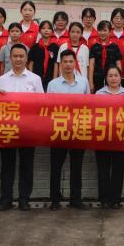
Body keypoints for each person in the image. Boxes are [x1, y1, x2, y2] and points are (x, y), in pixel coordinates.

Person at [0, 44, 44, 211]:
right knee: (7, 166)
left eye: (21, 56)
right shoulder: (2, 80)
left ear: (26, 58)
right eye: (15, 56)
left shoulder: (35, 79)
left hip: (28, 130)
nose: (18, 59)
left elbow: (41, 105)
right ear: (10, 58)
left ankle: (24, 199)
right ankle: (5, 199)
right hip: (7, 129)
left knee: (26, 165)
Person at [47, 50, 91, 210]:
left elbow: (89, 106)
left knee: (76, 167)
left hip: (78, 130)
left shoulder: (83, 82)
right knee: (56, 167)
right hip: (58, 130)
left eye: (70, 61)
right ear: (61, 63)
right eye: (65, 61)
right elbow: (48, 108)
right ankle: (55, 200)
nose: (67, 65)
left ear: (75, 63)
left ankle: (76, 199)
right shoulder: (53, 84)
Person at [95, 65, 124, 208]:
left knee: (118, 169)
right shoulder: (99, 94)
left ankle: (116, 199)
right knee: (103, 169)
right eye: (110, 76)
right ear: (106, 78)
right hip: (103, 137)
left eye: (116, 75)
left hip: (121, 137)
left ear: (120, 77)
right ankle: (104, 199)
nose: (113, 78)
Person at [89, 20, 123, 93]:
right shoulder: (94, 47)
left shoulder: (115, 47)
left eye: (105, 30)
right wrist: (91, 82)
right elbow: (91, 65)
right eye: (100, 30)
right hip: (97, 78)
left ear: (110, 32)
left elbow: (118, 64)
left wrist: (119, 79)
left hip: (111, 78)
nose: (102, 33)